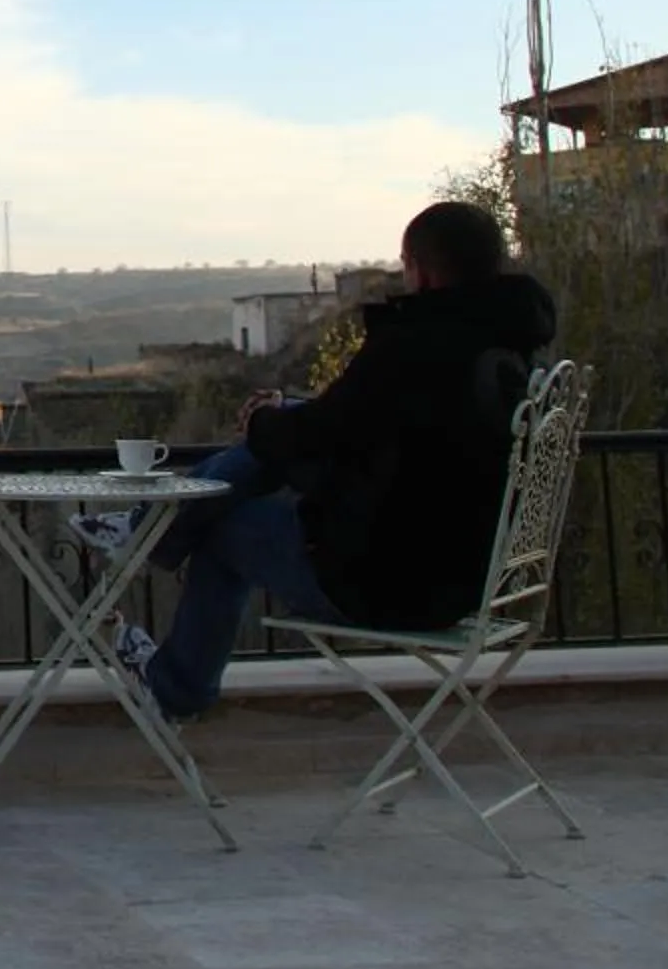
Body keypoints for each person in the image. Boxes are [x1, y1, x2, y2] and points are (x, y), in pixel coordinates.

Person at [85, 201, 557, 723]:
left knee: (223, 527)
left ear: (421, 270)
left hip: (388, 581)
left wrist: (266, 423)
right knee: (275, 441)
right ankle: (145, 533)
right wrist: (282, 419)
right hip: (460, 574)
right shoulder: (504, 348)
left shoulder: (417, 345)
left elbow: (328, 433)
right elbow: (364, 425)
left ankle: (174, 675)